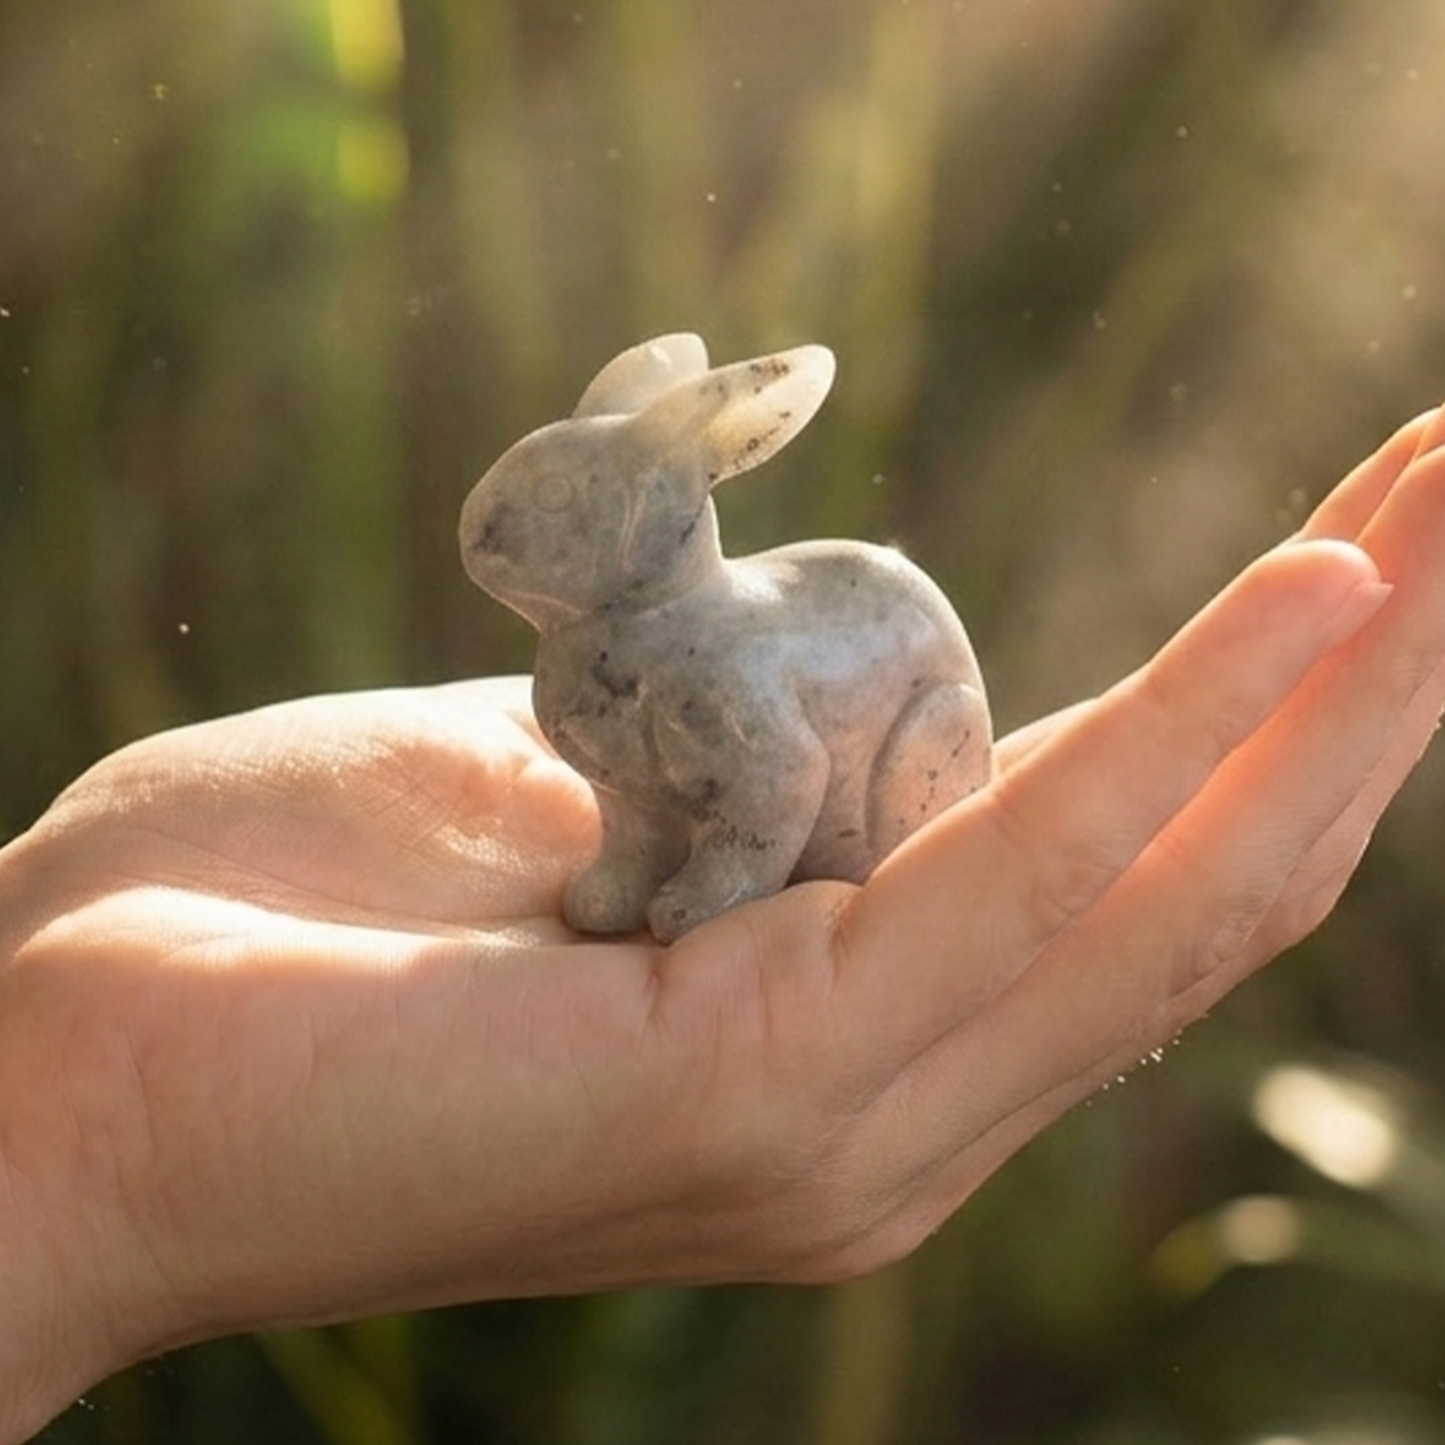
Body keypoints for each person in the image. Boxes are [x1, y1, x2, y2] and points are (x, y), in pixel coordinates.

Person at [1, 404, 1443, 1441]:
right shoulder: (585, 673)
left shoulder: (718, 663)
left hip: (890, 758)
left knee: (774, 783)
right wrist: (96, 1151)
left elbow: (783, 772)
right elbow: (635, 783)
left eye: (554, 514)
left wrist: (732, 878)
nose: (498, 535)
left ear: (651, 524)